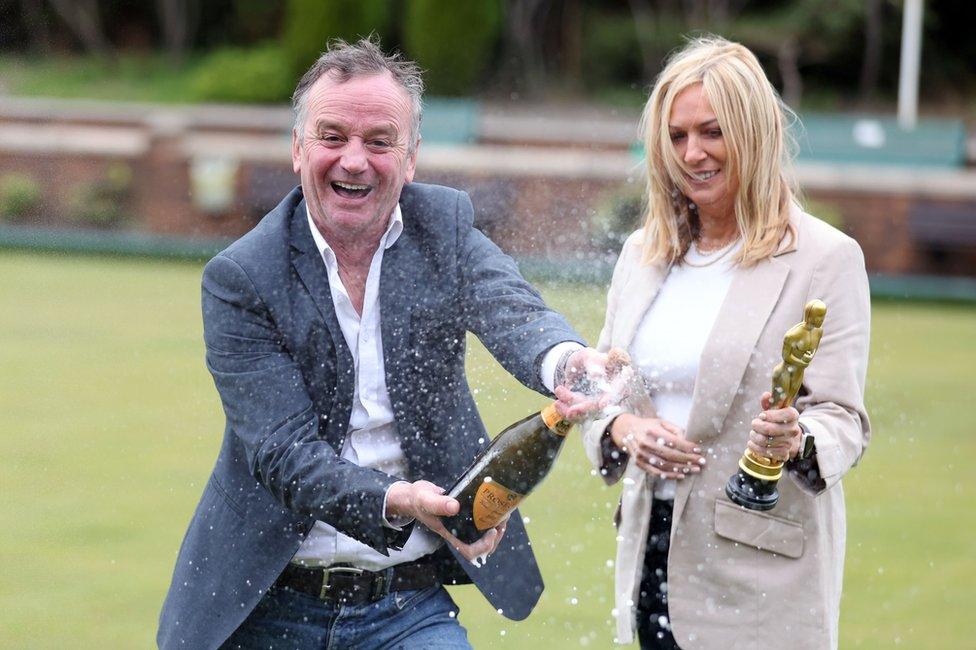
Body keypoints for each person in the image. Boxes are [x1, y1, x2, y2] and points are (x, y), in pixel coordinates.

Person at [157, 37, 605, 649]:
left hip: (406, 603)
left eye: (379, 141)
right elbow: (286, 457)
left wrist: (568, 361)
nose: (354, 160)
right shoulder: (242, 277)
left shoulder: (442, 230)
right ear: (297, 149)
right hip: (266, 607)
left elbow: (512, 310)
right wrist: (397, 501)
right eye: (333, 136)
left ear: (411, 157)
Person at [578, 36, 871, 649]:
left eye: (713, 132)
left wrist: (797, 440)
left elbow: (842, 418)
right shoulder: (643, 252)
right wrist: (622, 431)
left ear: (755, 135)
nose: (693, 153)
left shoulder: (827, 258)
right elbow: (599, 387)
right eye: (677, 136)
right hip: (649, 554)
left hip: (763, 578)